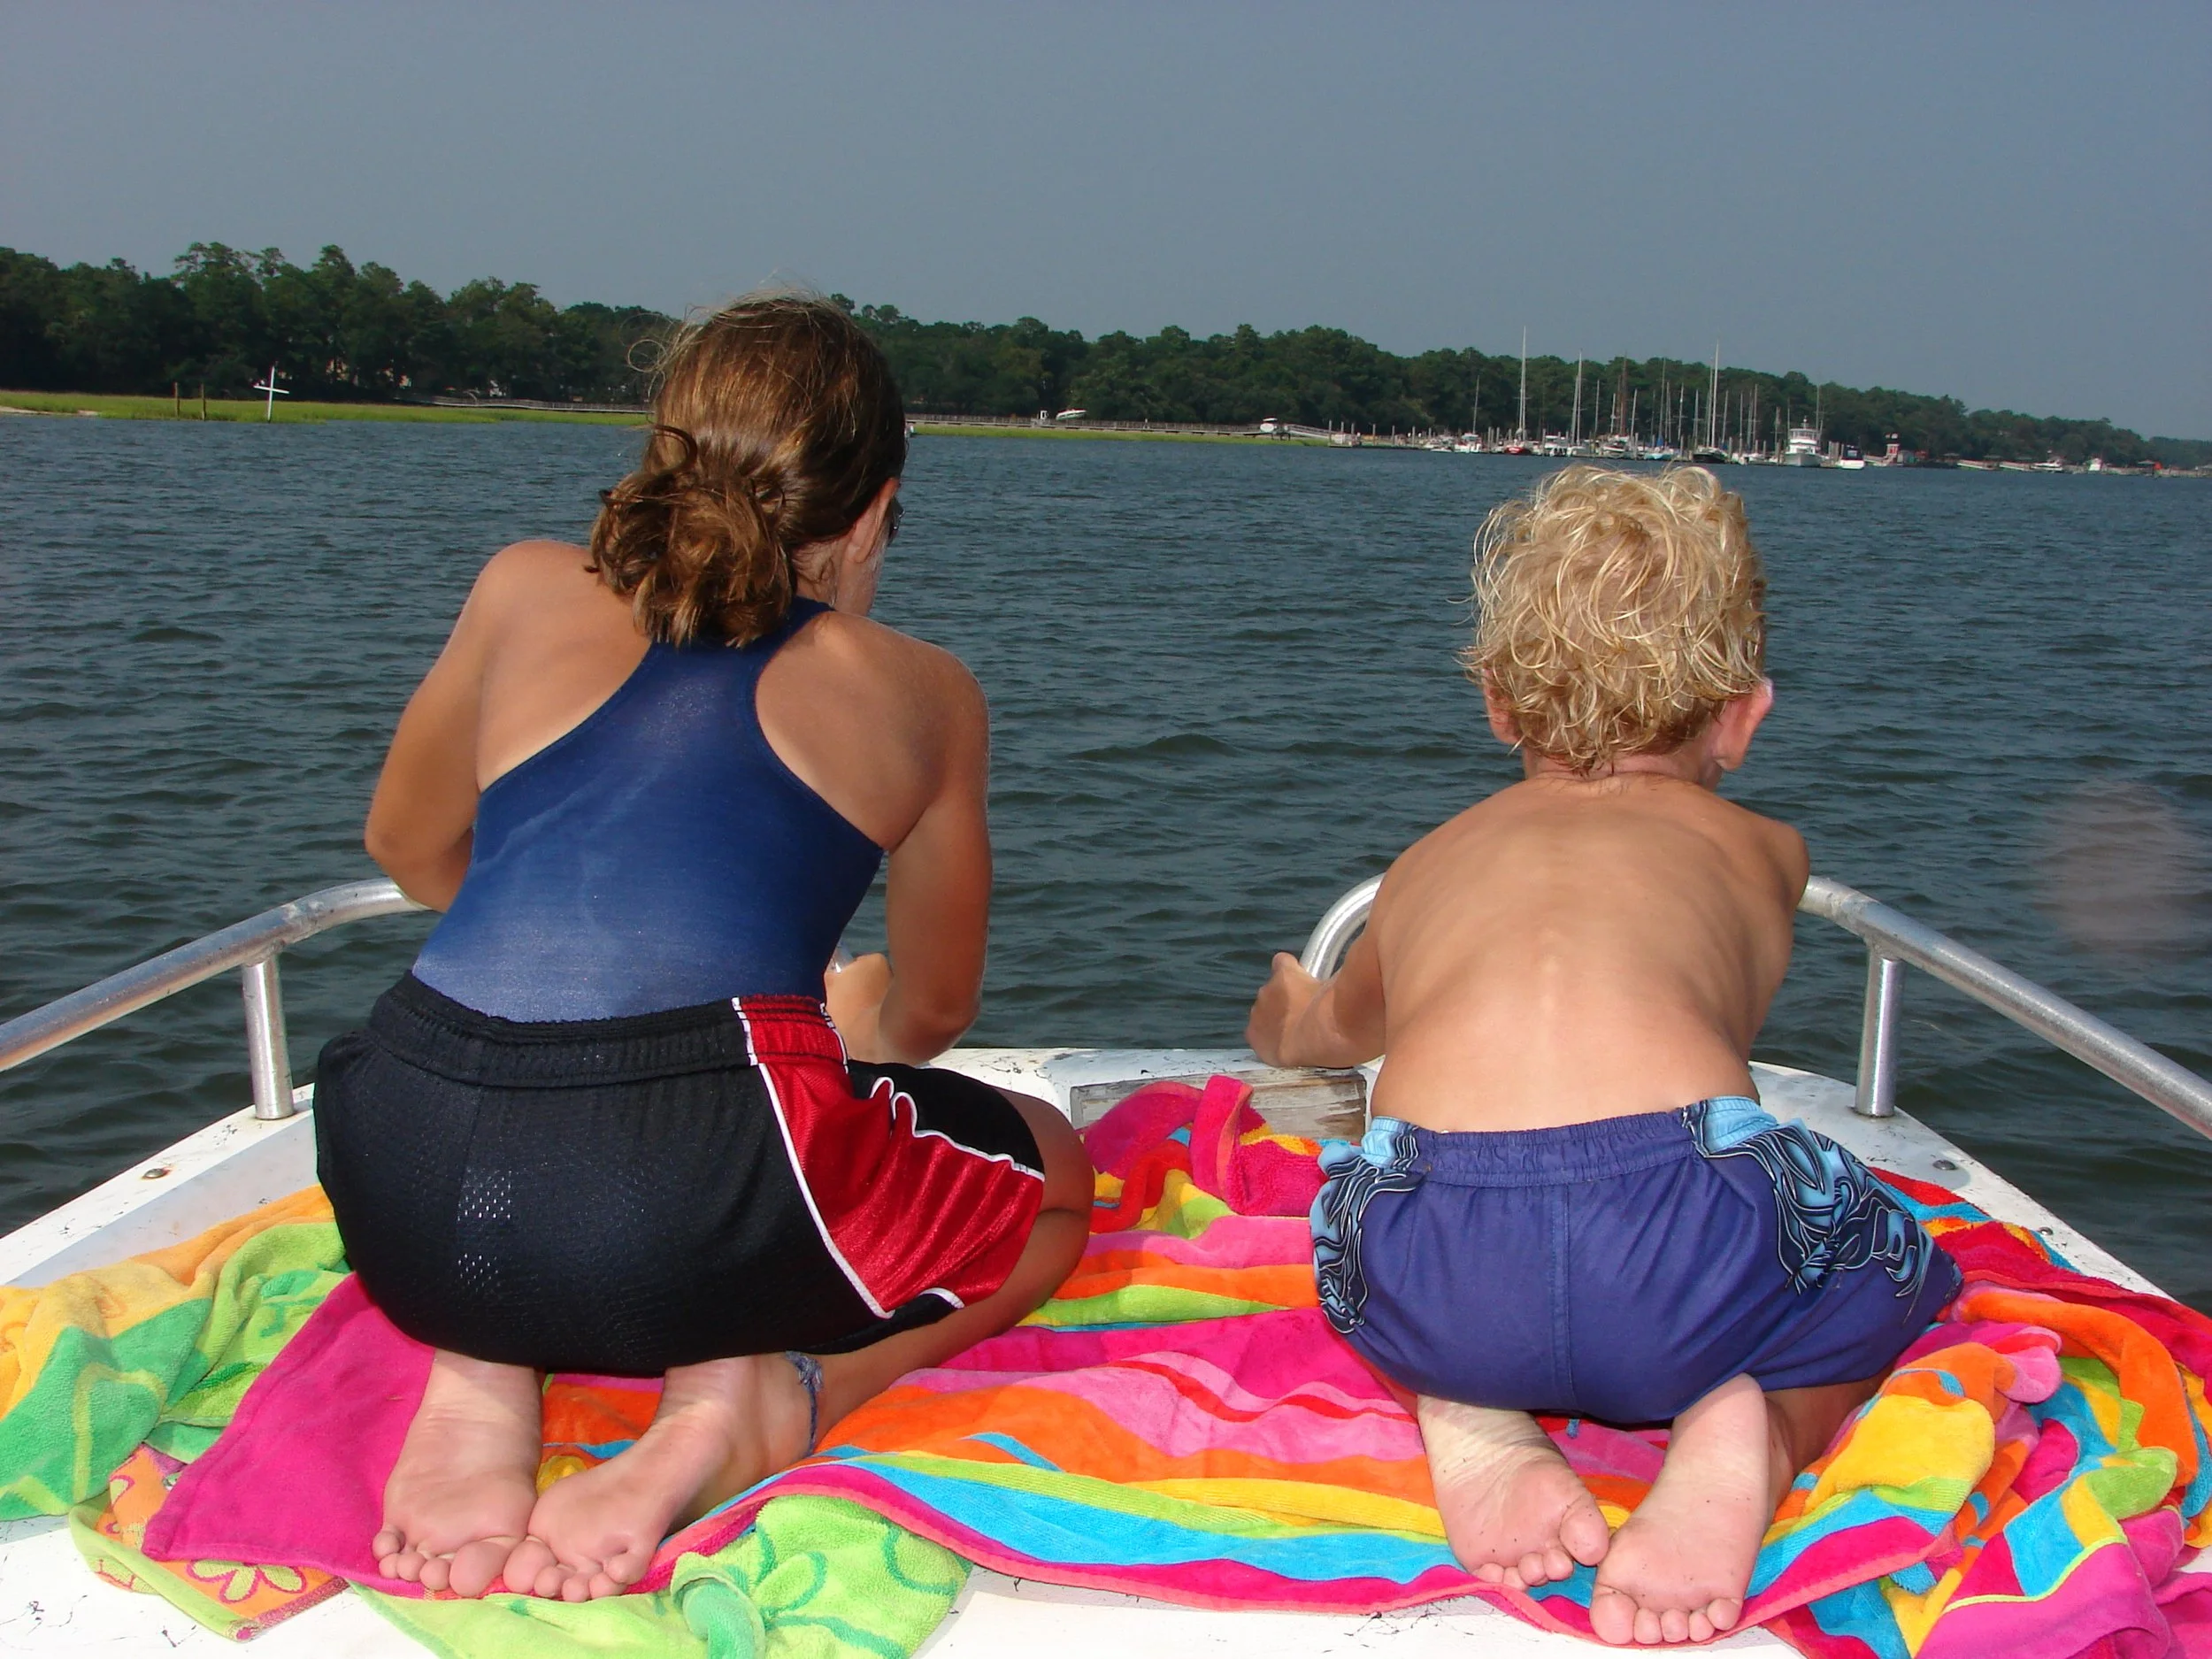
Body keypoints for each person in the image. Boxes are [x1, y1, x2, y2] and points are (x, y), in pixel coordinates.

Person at [316, 294, 1092, 1605]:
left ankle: (482, 1373)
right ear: (875, 511)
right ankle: (763, 1399)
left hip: (399, 1162)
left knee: (550, 1149)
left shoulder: (520, 584)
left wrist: (553, 990)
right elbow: (933, 1011)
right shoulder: (923, 692)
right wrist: (836, 1023)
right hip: (674, 1197)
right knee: (1056, 1176)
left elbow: (408, 844)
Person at [1244, 466, 1956, 1647]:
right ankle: (1753, 1428)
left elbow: (1333, 1037)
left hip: (1439, 1254)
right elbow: (1701, 1070)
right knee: (1894, 1259)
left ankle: (1465, 1404)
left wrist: (1288, 1013)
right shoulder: (1763, 852)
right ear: (1744, 716)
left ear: (1496, 704)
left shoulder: (1423, 867)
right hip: (1686, 1243)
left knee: (1354, 1226)